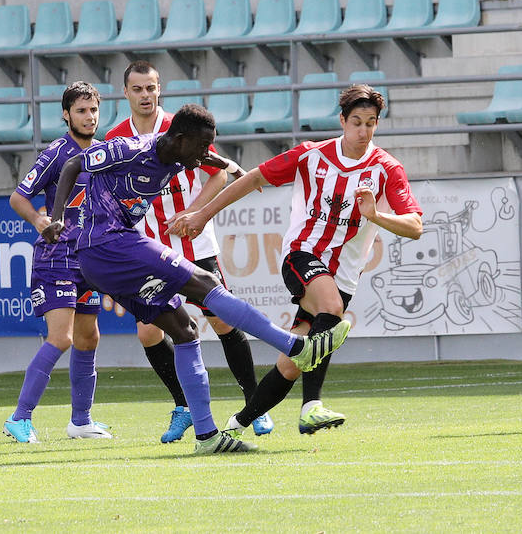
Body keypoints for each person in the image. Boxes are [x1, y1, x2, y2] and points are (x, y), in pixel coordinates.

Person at [42, 103, 350, 454]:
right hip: (107, 243)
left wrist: (230, 167)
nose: (206, 154)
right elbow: (72, 164)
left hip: (104, 257)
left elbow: (210, 161)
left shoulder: (179, 155)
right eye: (202, 146)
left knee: (184, 330)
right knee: (205, 283)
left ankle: (206, 436)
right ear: (180, 138)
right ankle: (297, 346)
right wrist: (57, 217)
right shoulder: (132, 147)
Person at [167, 84, 423, 436]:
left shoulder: (386, 169)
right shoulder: (311, 155)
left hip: (344, 275)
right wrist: (202, 215)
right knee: (331, 308)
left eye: (371, 123)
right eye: (357, 122)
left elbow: (415, 226)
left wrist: (377, 216)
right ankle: (311, 406)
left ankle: (234, 426)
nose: (363, 131)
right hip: (302, 255)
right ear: (342, 121)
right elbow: (254, 177)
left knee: (292, 363)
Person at [106, 60, 272, 443]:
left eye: (151, 88)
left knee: (223, 321)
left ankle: (254, 405)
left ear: (159, 89)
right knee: (149, 332)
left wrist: (195, 210)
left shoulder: (180, 128)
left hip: (195, 243)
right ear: (126, 93)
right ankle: (183, 407)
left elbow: (217, 171)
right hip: (150, 251)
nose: (145, 95)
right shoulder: (115, 138)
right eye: (138, 89)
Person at [4, 81, 111, 443]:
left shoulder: (103, 152)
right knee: (62, 337)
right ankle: (19, 418)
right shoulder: (57, 152)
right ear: (66, 115)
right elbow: (18, 198)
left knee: (88, 337)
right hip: (57, 256)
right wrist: (40, 221)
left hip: (88, 258)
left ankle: (81, 421)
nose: (89, 116)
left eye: (93, 109)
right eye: (81, 110)